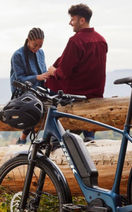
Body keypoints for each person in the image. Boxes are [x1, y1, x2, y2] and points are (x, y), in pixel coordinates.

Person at [46, 3, 108, 142]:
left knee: (50, 88)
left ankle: (55, 138)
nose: (70, 23)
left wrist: (54, 71)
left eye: (72, 19)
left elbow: (64, 72)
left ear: (82, 20)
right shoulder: (101, 40)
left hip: (77, 91)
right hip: (96, 91)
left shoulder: (76, 41)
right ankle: (89, 136)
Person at [10, 27, 50, 144]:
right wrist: (37, 77)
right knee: (35, 107)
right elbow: (19, 80)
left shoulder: (41, 53)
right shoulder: (18, 55)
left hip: (39, 89)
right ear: (28, 40)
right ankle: (22, 139)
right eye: (35, 45)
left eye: (40, 46)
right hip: (23, 92)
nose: (37, 49)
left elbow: (42, 72)